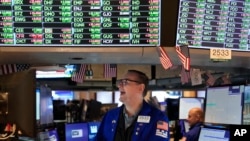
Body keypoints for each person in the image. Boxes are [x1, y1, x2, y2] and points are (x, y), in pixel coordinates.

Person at [95, 70, 170, 141]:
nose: (119, 85)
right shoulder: (110, 115)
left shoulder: (158, 118)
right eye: (120, 82)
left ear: (140, 88)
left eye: (125, 82)